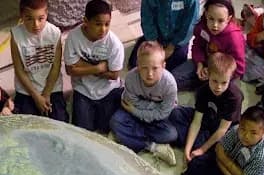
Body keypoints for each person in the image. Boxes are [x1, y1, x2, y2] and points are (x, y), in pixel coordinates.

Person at [109, 41, 178, 165]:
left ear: (164, 66)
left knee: (171, 134)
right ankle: (152, 146)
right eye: (144, 68)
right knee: (115, 121)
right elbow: (130, 102)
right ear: (138, 66)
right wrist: (154, 108)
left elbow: (163, 113)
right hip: (138, 115)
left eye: (155, 68)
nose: (150, 74)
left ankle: (127, 137)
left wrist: (136, 110)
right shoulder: (131, 78)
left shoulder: (170, 84)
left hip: (150, 117)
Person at [171, 52, 242, 166]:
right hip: (207, 119)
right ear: (208, 74)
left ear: (230, 79)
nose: (219, 87)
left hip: (222, 130)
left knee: (221, 148)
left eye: (224, 83)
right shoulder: (203, 91)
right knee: (175, 113)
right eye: (214, 81)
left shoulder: (235, 97)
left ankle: (190, 143)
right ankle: (189, 144)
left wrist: (202, 149)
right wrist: (187, 149)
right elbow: (196, 122)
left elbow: (222, 130)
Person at [64, 0, 123, 133]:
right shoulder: (73, 37)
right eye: (98, 24)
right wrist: (98, 68)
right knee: (83, 131)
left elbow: (114, 74)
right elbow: (70, 70)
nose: (103, 29)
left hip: (108, 90)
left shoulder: (114, 44)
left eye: (107, 24)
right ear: (85, 21)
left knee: (106, 128)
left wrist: (81, 65)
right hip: (83, 89)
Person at [10, 0, 68, 122]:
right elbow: (19, 70)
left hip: (52, 88)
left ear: (47, 14)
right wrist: (36, 97)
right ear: (21, 16)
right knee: (27, 126)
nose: (36, 25)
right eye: (29, 19)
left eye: (41, 18)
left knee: (60, 123)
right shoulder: (16, 35)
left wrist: (46, 94)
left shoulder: (55, 33)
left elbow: (56, 66)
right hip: (27, 90)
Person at [173, 0, 244, 91]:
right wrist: (199, 64)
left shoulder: (234, 38)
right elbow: (197, 46)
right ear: (206, 14)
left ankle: (205, 86)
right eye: (211, 18)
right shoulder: (202, 26)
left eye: (220, 21)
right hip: (204, 65)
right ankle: (204, 84)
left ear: (228, 19)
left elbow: (239, 69)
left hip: (224, 75)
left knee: (227, 94)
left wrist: (214, 74)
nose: (215, 25)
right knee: (172, 79)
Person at [128, 0, 198, 71]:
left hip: (178, 41)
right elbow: (147, 19)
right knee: (137, 64)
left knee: (175, 71)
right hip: (156, 37)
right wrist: (153, 43)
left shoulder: (193, 1)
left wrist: (171, 48)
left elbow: (190, 26)